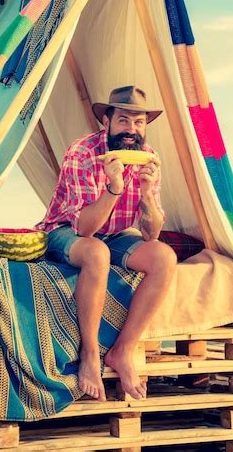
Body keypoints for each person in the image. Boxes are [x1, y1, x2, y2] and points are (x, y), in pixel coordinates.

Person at [36, 86, 177, 402]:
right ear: (107, 122)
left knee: (164, 257)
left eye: (139, 123)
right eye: (124, 121)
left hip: (115, 235)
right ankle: (89, 354)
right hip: (65, 230)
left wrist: (145, 193)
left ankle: (122, 350)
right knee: (96, 252)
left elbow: (152, 234)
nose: (132, 130)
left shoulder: (149, 158)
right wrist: (114, 188)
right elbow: (85, 230)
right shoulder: (82, 154)